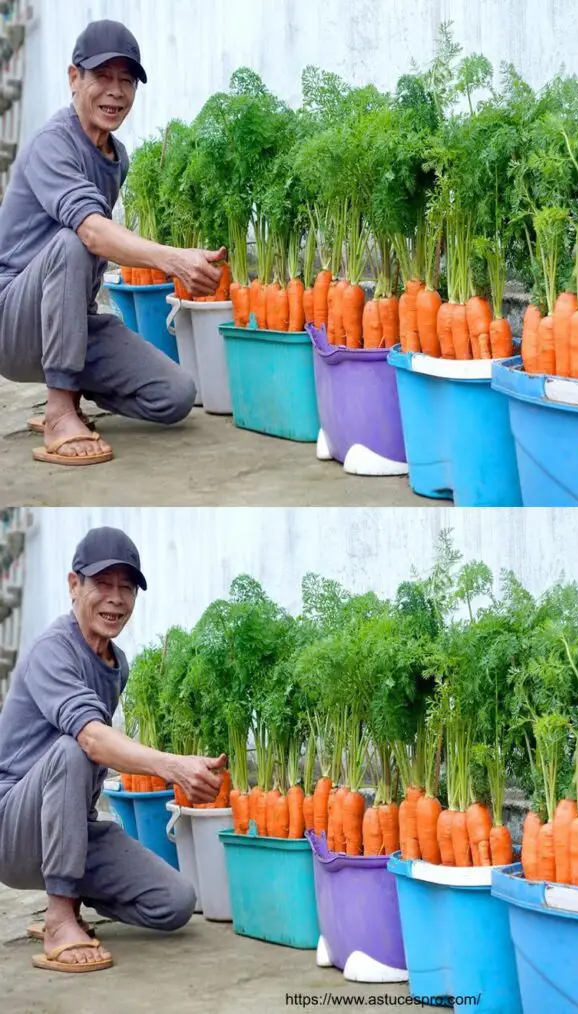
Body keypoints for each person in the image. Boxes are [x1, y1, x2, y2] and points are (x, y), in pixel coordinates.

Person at [0, 19, 227, 467]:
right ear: (73, 78)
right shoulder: (53, 143)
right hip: (12, 319)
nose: (116, 92)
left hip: (70, 322)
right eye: (102, 77)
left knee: (176, 396)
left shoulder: (115, 157)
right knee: (75, 240)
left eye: (127, 80)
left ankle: (66, 396)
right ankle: (61, 410)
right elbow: (90, 232)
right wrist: (173, 260)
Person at [0, 527, 227, 973]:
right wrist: (172, 766)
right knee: (75, 748)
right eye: (103, 584)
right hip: (12, 825)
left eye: (127, 588)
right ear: (73, 585)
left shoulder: (115, 663)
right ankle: (61, 917)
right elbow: (89, 739)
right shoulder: (53, 650)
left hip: (70, 829)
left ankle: (63, 905)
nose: (116, 599)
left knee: (175, 903)